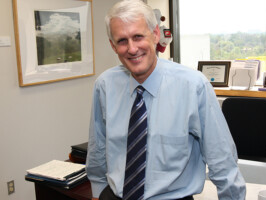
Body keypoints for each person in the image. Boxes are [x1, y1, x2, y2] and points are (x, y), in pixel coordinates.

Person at [86, 0, 246, 200]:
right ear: (113, 45)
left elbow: (222, 161)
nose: (132, 49)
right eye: (122, 41)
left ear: (155, 34)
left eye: (138, 36)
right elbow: (97, 147)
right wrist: (98, 190)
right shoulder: (105, 86)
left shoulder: (194, 86)